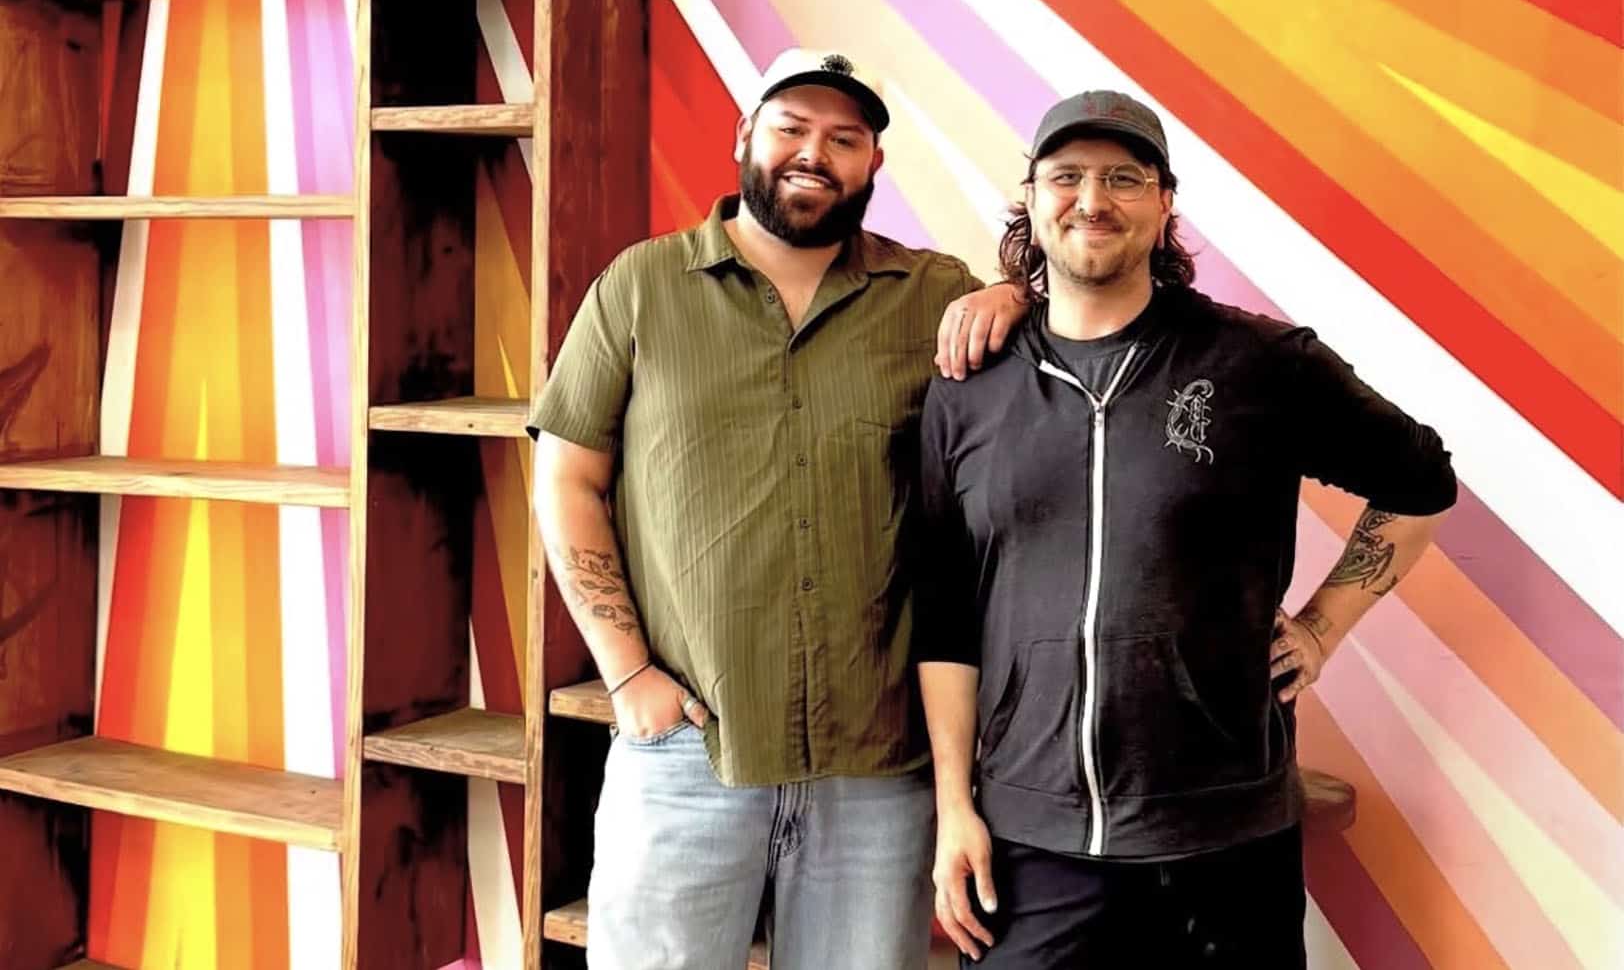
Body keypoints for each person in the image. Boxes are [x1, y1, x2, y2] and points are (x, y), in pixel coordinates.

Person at [916, 90, 1456, 968]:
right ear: (1032, 198)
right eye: (1067, 176)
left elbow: (1421, 482)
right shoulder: (969, 388)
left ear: (1166, 202)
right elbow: (944, 613)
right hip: (1031, 840)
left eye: (1125, 178)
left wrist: (1322, 628)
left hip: (1227, 839)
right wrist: (954, 808)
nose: (1093, 200)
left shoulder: (1259, 364)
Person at [529, 48, 1026, 970]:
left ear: (873, 163)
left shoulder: (933, 295)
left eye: (844, 139)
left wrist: (1012, 293)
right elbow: (566, 479)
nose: (814, 154)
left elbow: (1066, 349)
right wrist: (627, 675)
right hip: (687, 746)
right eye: (792, 128)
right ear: (745, 137)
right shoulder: (640, 287)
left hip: (877, 767)